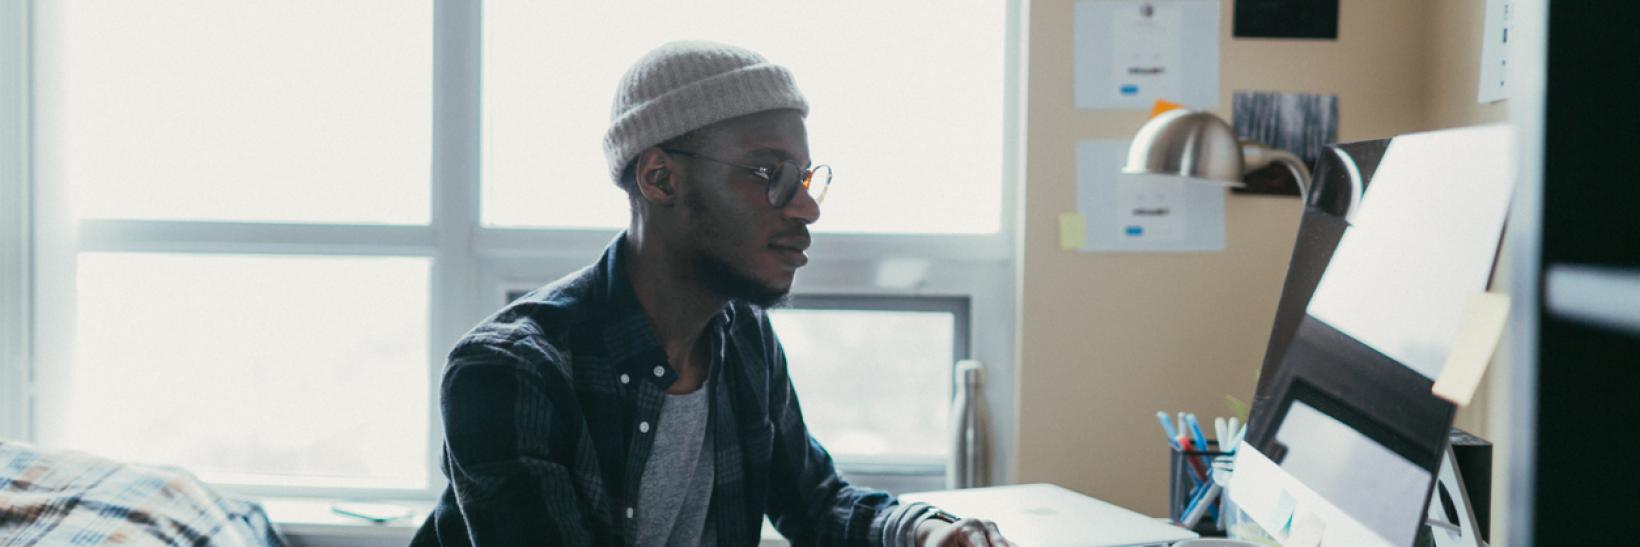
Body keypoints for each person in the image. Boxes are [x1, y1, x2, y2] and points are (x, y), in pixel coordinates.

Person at [411, 41, 1013, 547]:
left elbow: (816, 501)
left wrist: (927, 532)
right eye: (769, 174)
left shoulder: (741, 336)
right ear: (660, 178)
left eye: (805, 179)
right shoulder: (511, 368)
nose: (805, 208)